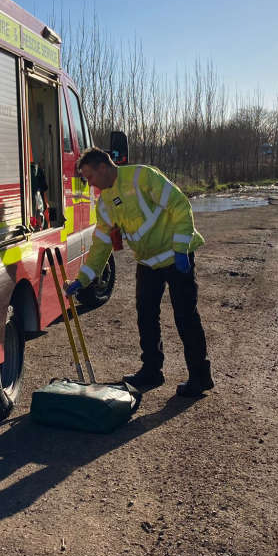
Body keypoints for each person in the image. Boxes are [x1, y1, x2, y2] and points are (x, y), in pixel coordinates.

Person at [64, 147, 213, 397]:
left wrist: (180, 248)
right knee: (146, 315)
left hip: (177, 257)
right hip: (148, 263)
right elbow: (101, 244)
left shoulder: (142, 176)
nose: (89, 184)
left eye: (89, 177)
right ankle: (152, 370)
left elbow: (179, 205)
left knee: (186, 317)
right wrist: (83, 278)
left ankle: (200, 377)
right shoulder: (104, 203)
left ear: (103, 167)